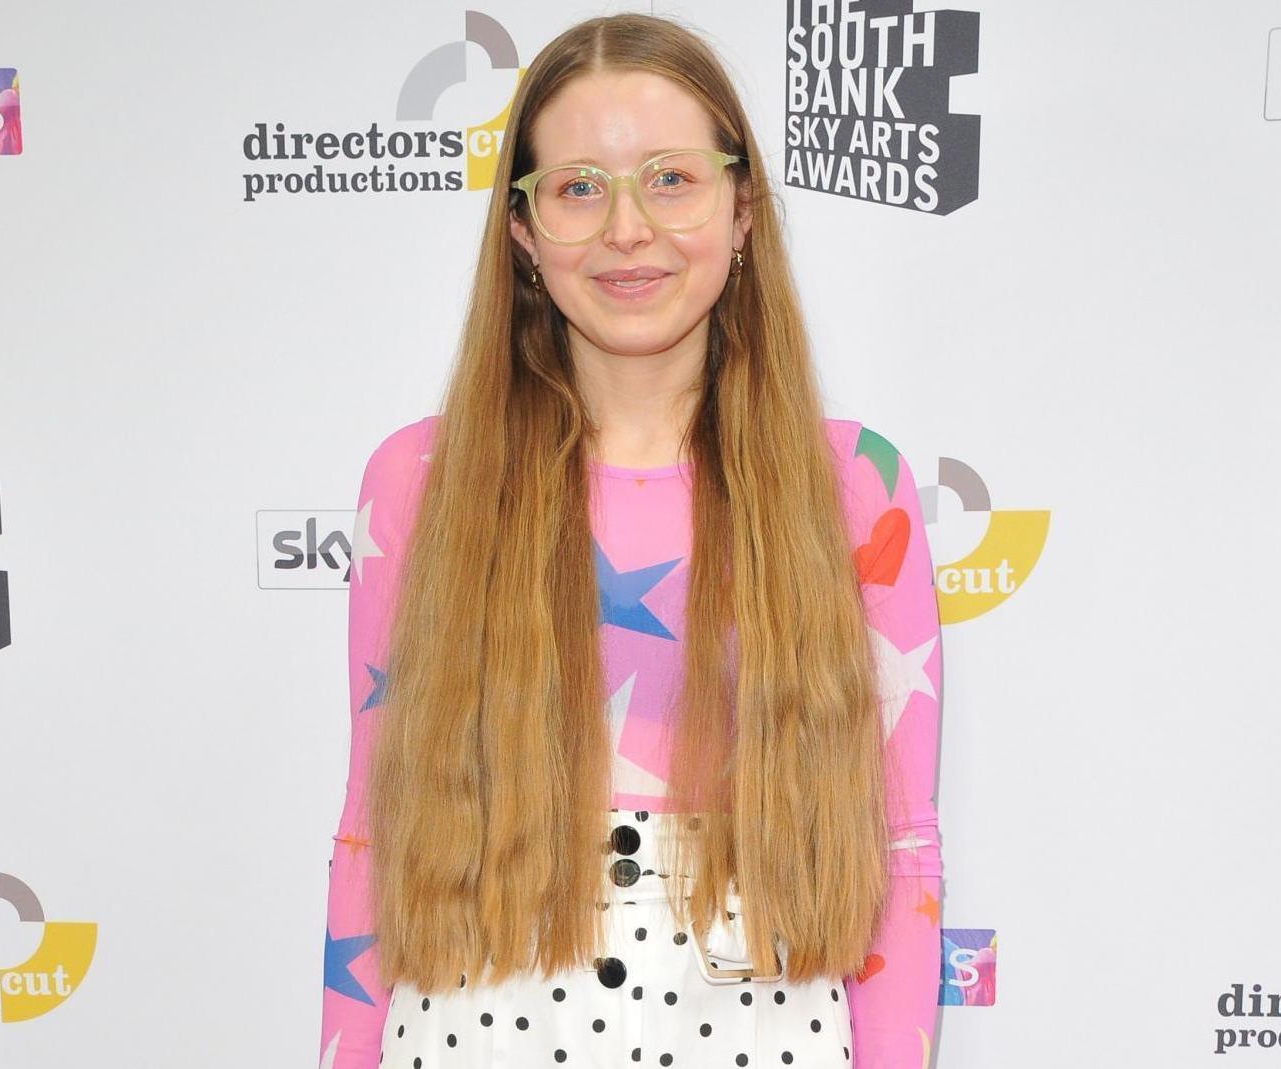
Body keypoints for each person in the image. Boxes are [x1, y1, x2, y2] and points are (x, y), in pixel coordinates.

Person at [319, 12, 943, 1069]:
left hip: (760, 1029)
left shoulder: (855, 485)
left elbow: (900, 846)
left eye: (670, 180)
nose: (626, 229)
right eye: (577, 188)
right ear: (523, 232)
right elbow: (372, 832)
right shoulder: (419, 481)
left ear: (741, 209)